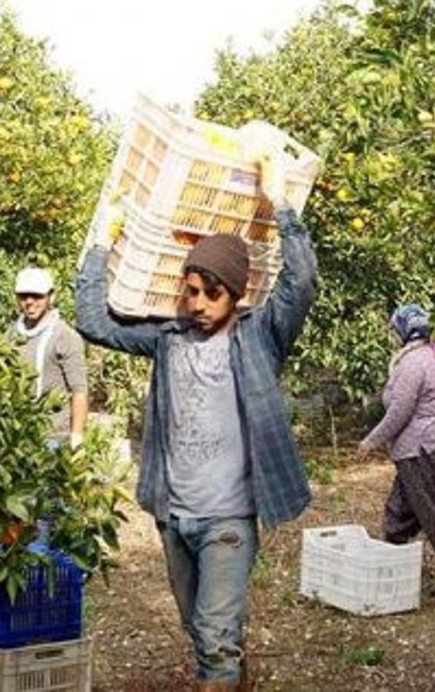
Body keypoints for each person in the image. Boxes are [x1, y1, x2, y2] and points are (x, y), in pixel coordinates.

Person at [76, 155, 317, 690]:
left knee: (212, 635)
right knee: (201, 630)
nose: (200, 303)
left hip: (228, 519)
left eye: (214, 293)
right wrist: (101, 242)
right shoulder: (167, 339)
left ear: (236, 295)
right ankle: (233, 670)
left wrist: (280, 201)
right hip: (173, 516)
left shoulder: (260, 337)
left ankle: (225, 664)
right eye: (192, 290)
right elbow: (93, 321)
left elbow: (300, 283)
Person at [358, 303, 435, 597]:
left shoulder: (412, 363)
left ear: (403, 331)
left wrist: (371, 441)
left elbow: (401, 410)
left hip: (424, 448)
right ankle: (391, 571)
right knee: (400, 510)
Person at [8, 266, 89, 450]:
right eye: (24, 296)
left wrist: (77, 436)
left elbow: (79, 390)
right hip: (16, 431)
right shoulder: (12, 333)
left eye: (37, 296)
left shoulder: (65, 336)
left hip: (53, 435)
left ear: (51, 297)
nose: (29, 302)